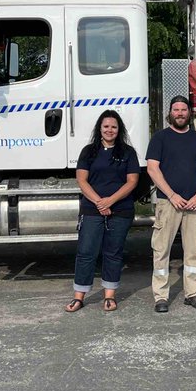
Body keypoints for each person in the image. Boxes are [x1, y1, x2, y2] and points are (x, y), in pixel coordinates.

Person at [67, 110, 140, 313]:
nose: (110, 130)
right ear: (100, 128)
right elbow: (81, 180)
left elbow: (132, 181)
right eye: (106, 126)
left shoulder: (128, 153)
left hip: (120, 210)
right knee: (86, 252)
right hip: (92, 210)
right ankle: (79, 296)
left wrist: (111, 201)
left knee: (113, 253)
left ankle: (109, 296)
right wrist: (100, 202)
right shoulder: (89, 151)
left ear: (119, 130)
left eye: (114, 127)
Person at [146, 95, 196, 313]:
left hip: (193, 204)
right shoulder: (160, 138)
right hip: (168, 204)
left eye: (184, 110)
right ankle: (161, 296)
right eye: (176, 110)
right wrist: (172, 195)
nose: (180, 113)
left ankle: (192, 293)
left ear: (189, 113)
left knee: (193, 251)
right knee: (161, 250)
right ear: (170, 113)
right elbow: (152, 169)